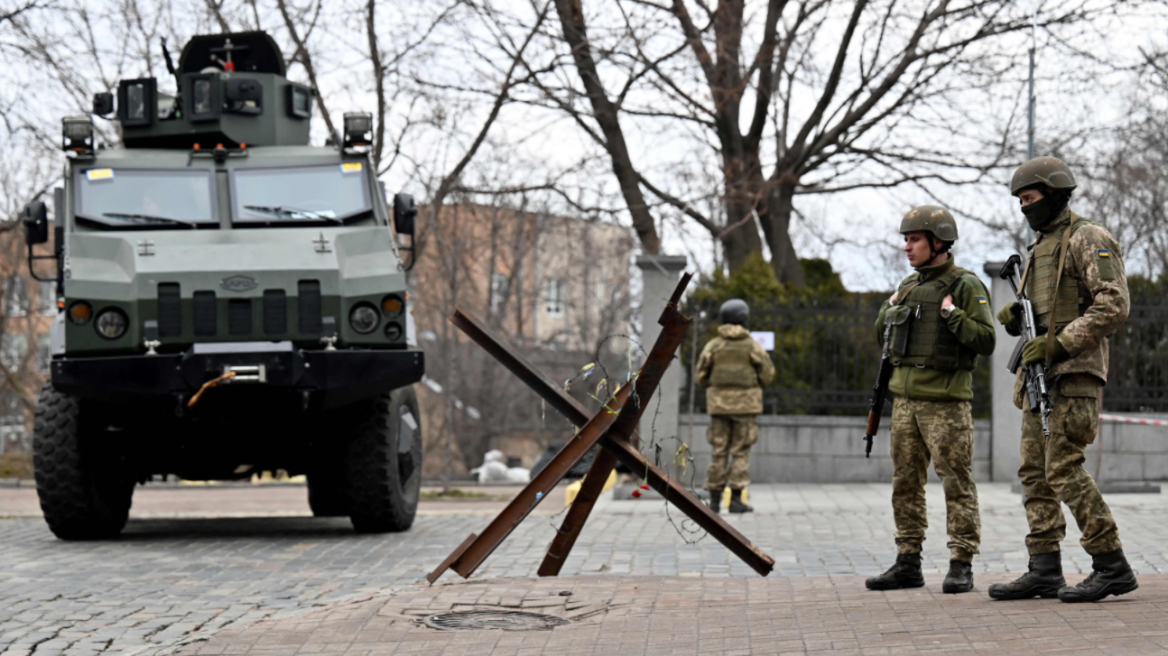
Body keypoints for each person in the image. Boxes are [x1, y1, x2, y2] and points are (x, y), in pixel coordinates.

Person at [988, 156, 1137, 603]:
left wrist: (1060, 344)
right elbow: (1042, 314)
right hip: (1040, 378)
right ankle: (1044, 569)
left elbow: (1113, 304)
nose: (1023, 208)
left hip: (1072, 376)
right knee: (1034, 475)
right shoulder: (1039, 248)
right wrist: (1017, 316)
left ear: (1053, 195)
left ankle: (1111, 564)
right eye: (1019, 201)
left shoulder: (1087, 237)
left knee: (1063, 469)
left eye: (1029, 199)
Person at [865, 206, 995, 595]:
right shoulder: (906, 285)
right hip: (904, 401)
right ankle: (908, 561)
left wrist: (953, 316)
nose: (907, 247)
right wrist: (889, 308)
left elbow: (986, 341)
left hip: (946, 404)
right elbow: (881, 339)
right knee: (905, 482)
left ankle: (961, 563)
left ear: (938, 242)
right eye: (906, 240)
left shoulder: (966, 285)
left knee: (956, 482)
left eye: (915, 239)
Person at [696, 298, 775, 513]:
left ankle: (714, 501)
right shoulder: (752, 346)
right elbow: (768, 375)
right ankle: (737, 500)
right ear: (744, 318)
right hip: (746, 408)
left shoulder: (713, 345)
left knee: (719, 451)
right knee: (741, 452)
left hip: (719, 407)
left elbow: (700, 377)